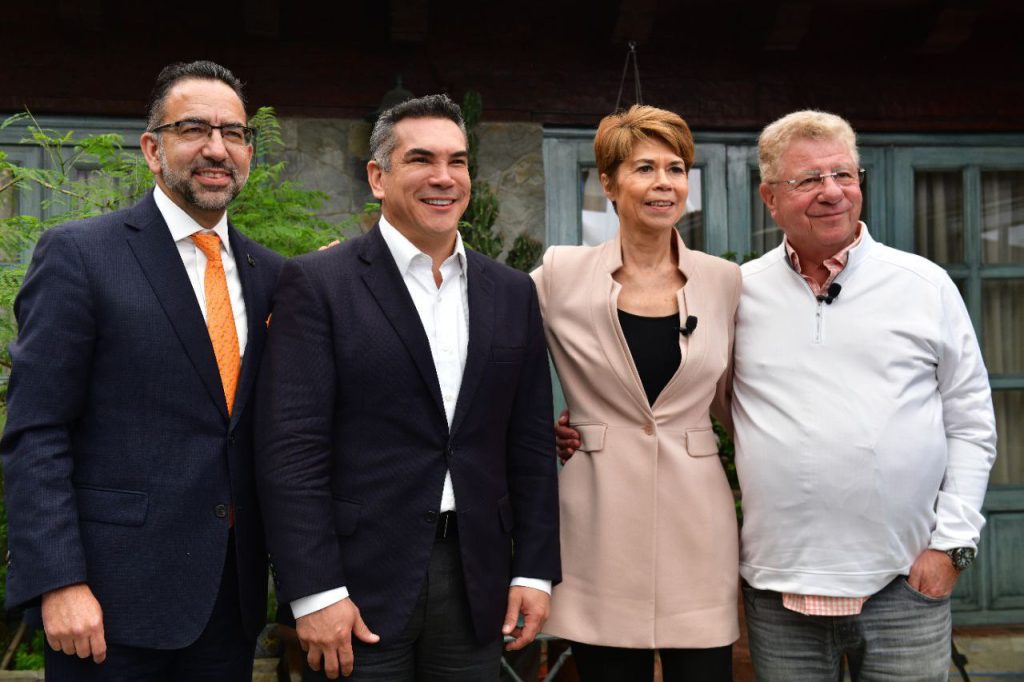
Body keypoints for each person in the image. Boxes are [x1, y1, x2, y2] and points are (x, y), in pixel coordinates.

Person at [254, 93, 561, 681]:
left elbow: (528, 443)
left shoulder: (511, 291)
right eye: (421, 159)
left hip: (477, 580)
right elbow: (291, 449)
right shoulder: (318, 283)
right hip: (355, 583)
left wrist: (534, 570)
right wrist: (314, 591)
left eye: (457, 161)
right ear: (378, 177)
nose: (444, 177)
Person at [1, 60, 284, 680]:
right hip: (106, 609)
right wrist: (59, 581)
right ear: (153, 150)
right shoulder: (80, 255)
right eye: (194, 129)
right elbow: (37, 430)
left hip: (229, 606)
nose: (217, 149)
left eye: (234, 133)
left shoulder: (273, 276)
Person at [733, 110, 997, 680]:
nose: (832, 191)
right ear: (770, 197)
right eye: (809, 179)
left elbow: (972, 424)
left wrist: (953, 547)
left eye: (844, 174)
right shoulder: (738, 293)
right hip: (778, 590)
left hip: (905, 586)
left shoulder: (924, 285)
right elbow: (695, 400)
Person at [538, 105, 741, 682]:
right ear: (609, 184)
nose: (664, 183)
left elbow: (741, 399)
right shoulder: (561, 273)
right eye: (645, 168)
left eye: (676, 169)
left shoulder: (723, 281)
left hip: (698, 522)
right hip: (597, 520)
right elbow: (487, 339)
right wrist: (537, 431)